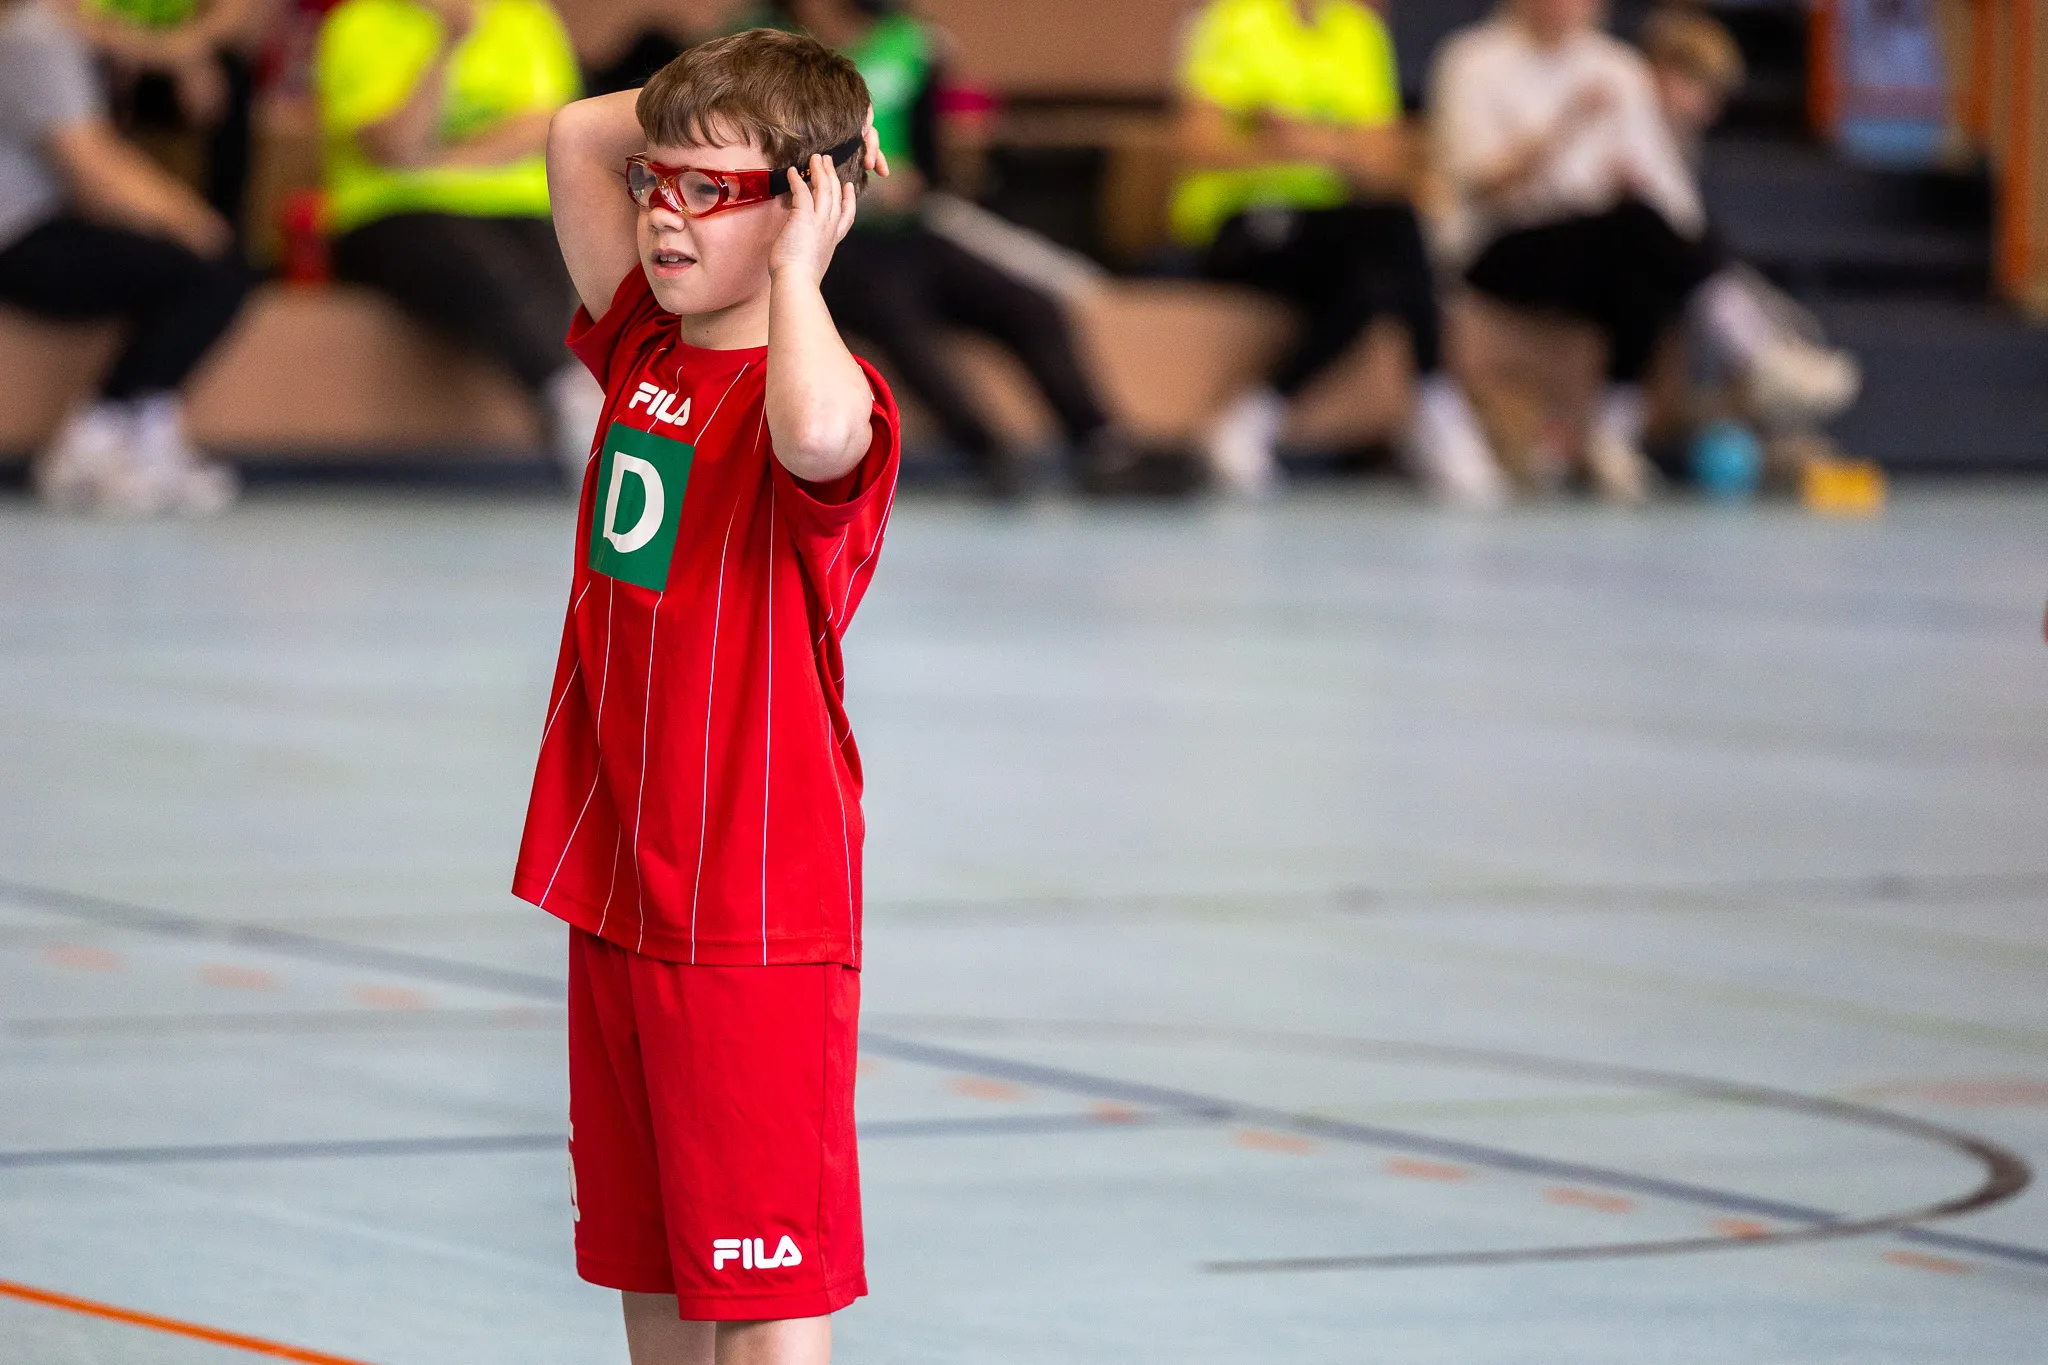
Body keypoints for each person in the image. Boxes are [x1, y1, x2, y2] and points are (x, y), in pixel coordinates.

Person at [517, 28, 893, 1364]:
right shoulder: (645, 349)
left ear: (800, 209)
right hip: (622, 876)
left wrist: (804, 234)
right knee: (658, 1268)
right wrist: (718, 112)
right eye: (657, 183)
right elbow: (576, 134)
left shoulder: (829, 394)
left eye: (707, 191)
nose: (663, 209)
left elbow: (812, 436)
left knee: (759, 1281)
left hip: (746, 902)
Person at [1430, 0, 1858, 501]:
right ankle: (1757, 354)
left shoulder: (1618, 68)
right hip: (1501, 247)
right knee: (1638, 233)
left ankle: (1613, 433)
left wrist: (1645, 207)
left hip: (1608, 246)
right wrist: (1563, 130)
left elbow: (1672, 201)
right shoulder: (1473, 59)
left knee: (1648, 238)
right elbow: (1474, 183)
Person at [787, 0, 1147, 497]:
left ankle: (1102, 446)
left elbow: (932, 154)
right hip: (830, 240)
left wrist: (924, 179)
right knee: (899, 318)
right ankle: (989, 453)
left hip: (912, 228)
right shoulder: (766, 43)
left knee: (1033, 305)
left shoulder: (911, 44)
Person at [1173, 0, 1505, 503]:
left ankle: (1259, 417)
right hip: (1246, 219)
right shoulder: (1230, 19)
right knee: (1386, 247)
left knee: (1386, 257)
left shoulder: (1358, 31)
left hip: (1336, 226)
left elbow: (1386, 158)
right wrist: (1316, 148)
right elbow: (1195, 143)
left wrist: (1304, 140)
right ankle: (1436, 403)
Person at [313, 0, 601, 476]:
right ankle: (573, 399)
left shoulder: (525, 18)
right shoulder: (357, 24)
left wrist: (440, 164)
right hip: (393, 216)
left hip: (517, 210)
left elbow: (544, 127)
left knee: (544, 273)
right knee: (476, 264)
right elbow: (393, 145)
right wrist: (448, 45)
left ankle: (572, 397)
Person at [0, 0, 248, 513]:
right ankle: (92, 440)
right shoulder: (36, 35)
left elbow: (127, 38)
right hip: (18, 238)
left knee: (206, 267)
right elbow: (91, 171)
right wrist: (189, 221)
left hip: (41, 224)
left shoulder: (59, 28)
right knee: (210, 272)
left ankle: (143, 432)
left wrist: (184, 59)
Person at [60, 0, 271, 238]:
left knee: (232, 73)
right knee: (87, 75)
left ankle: (224, 233)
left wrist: (187, 53)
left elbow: (232, 17)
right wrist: (159, 52)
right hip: (112, 59)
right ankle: (103, 226)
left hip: (171, 62)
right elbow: (70, 21)